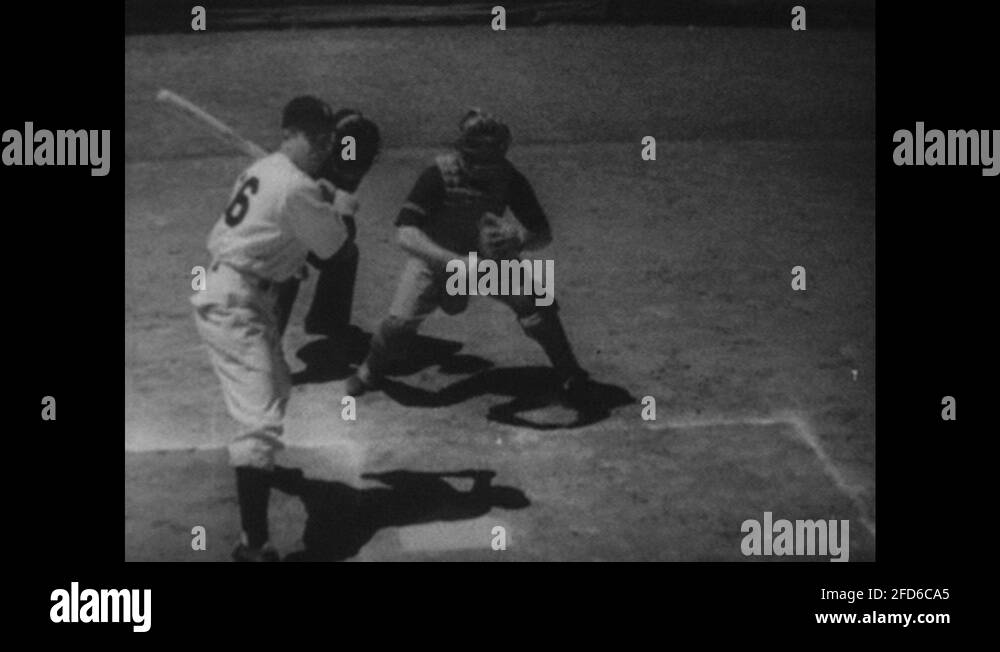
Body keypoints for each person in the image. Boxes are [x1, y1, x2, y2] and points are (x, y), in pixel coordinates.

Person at [190, 96, 357, 562]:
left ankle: (266, 473)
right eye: (314, 138)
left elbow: (281, 227)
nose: (323, 147)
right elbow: (337, 253)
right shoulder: (295, 187)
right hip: (235, 304)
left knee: (278, 385)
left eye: (327, 139)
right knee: (260, 423)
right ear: (289, 135)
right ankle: (253, 545)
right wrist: (342, 208)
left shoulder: (264, 169)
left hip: (240, 292)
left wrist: (320, 198)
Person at [344, 109, 590, 404]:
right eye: (478, 156)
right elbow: (406, 234)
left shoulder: (509, 177)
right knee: (398, 325)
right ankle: (369, 371)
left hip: (484, 262)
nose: (485, 166)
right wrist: (455, 263)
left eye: (492, 156)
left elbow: (543, 233)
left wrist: (520, 239)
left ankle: (570, 372)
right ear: (463, 149)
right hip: (435, 262)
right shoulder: (438, 174)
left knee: (539, 303)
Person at [273, 109, 381, 338]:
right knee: (289, 263)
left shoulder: (354, 149)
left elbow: (338, 207)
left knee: (346, 252)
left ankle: (326, 321)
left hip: (313, 215)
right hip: (279, 228)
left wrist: (333, 200)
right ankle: (265, 340)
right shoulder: (302, 160)